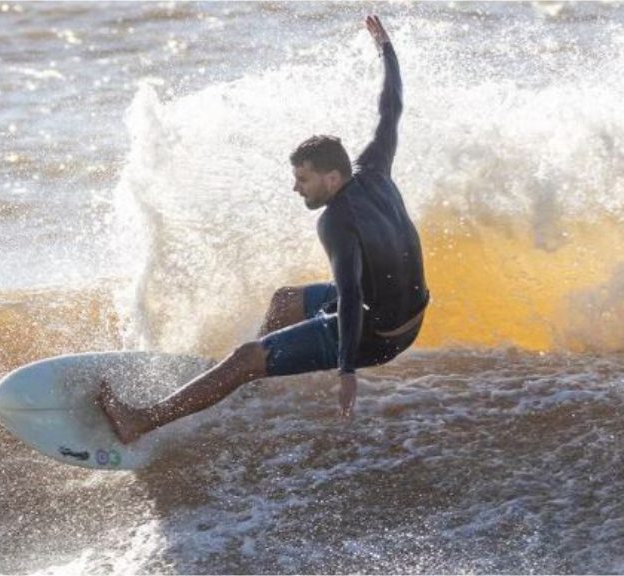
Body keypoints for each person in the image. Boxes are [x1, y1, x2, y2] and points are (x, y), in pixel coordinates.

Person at [99, 14, 428, 444]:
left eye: (304, 179)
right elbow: (391, 105)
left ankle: (141, 420)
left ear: (332, 178)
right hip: (407, 312)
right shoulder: (375, 168)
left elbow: (348, 296)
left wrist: (347, 371)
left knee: (244, 356)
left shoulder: (336, 221)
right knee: (285, 301)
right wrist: (386, 49)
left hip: (377, 335)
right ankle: (247, 378)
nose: (296, 188)